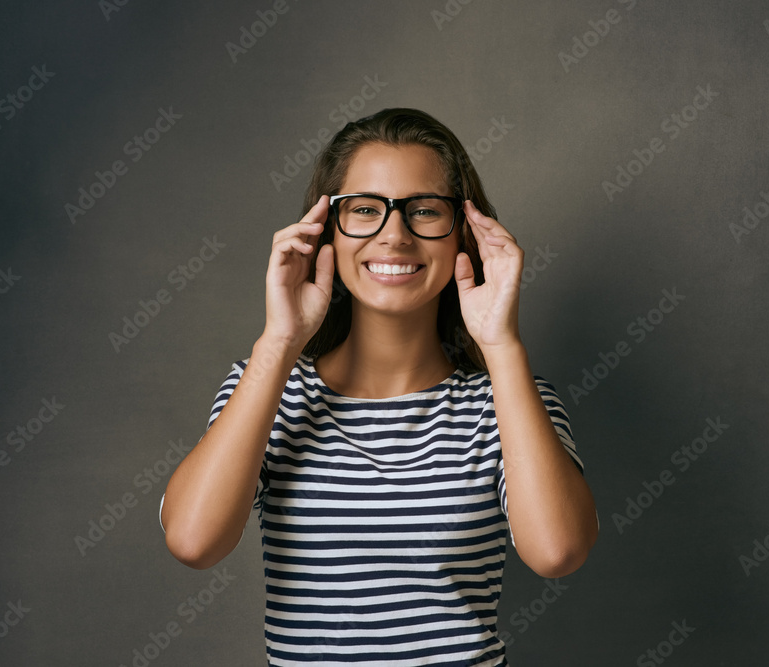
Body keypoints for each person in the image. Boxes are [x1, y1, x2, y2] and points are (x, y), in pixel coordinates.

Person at [159, 107, 599, 665]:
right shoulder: (269, 389)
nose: (395, 236)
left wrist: (501, 346)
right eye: (365, 210)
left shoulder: (508, 400)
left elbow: (558, 552)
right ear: (325, 234)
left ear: (464, 232)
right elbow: (193, 543)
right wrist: (278, 343)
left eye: (424, 210)